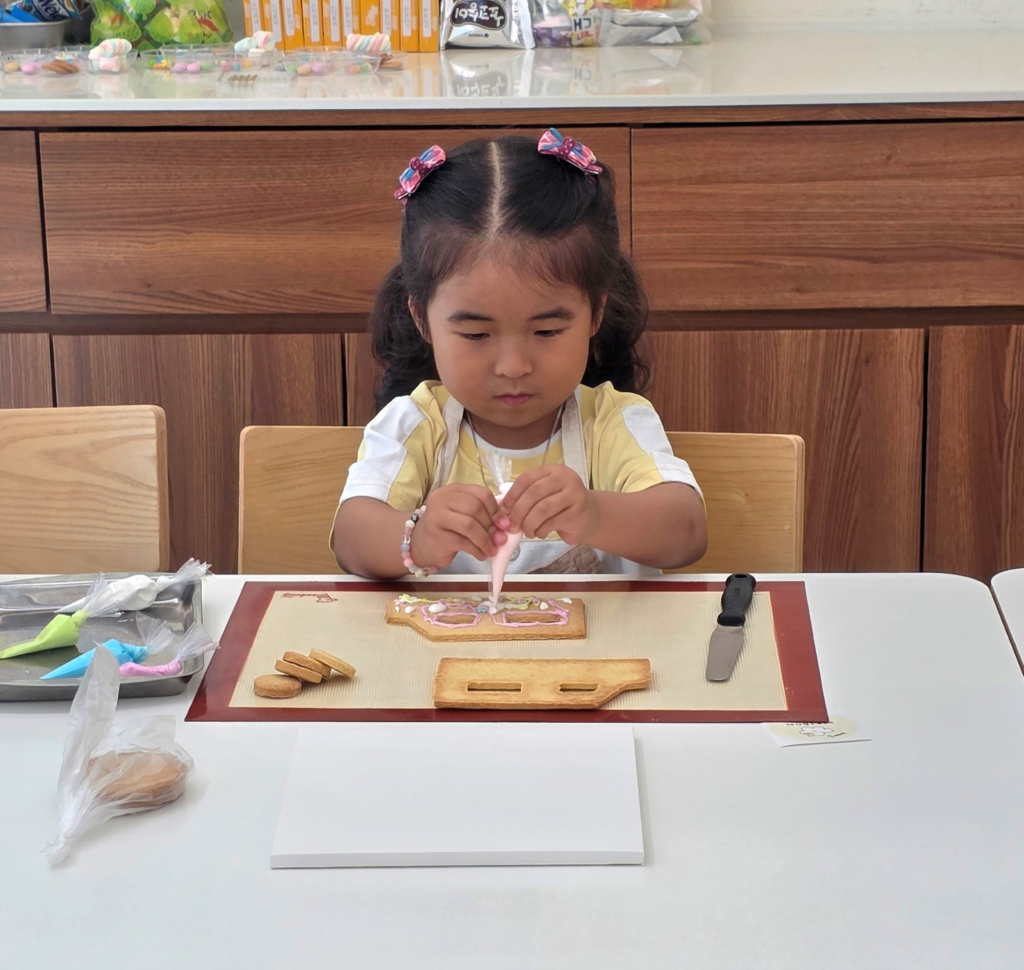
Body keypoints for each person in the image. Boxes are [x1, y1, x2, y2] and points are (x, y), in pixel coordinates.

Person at [332, 129, 707, 578]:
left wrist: (594, 515)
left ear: (595, 315)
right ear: (421, 319)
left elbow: (686, 530)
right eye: (475, 334)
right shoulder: (419, 424)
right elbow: (351, 538)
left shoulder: (609, 423)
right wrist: (419, 536)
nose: (513, 367)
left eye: (547, 330)